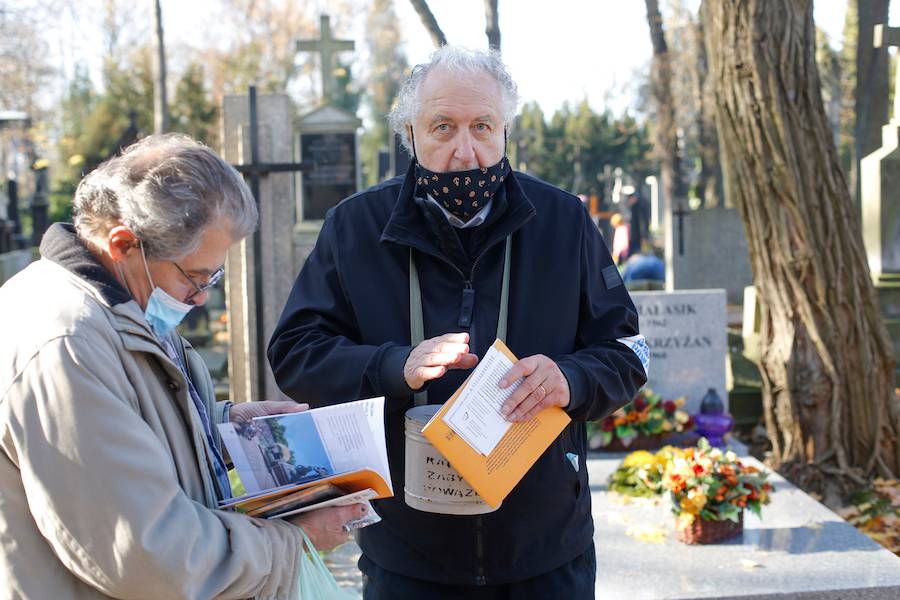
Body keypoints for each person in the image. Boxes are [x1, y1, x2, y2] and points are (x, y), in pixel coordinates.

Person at [268, 46, 648, 599]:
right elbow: (296, 353)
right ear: (410, 133)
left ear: (505, 131)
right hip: (408, 553)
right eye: (443, 127)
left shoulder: (564, 221)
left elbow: (626, 349)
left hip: (545, 551)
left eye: (482, 126)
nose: (465, 151)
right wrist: (393, 365)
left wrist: (574, 379)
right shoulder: (354, 228)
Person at [0, 134, 365, 599]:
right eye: (194, 277)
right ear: (124, 243)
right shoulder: (65, 344)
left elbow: (122, 426)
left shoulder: (121, 302)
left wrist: (222, 427)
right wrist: (293, 542)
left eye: (213, 277)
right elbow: (145, 554)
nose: (200, 296)